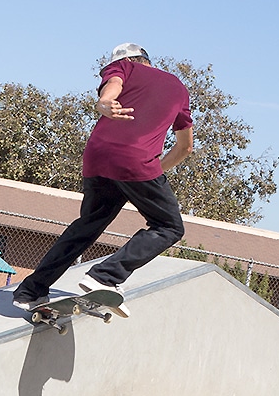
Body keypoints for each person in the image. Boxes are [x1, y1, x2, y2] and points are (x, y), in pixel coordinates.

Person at [13, 43, 192, 309]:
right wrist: (152, 171)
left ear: (130, 61)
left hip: (97, 157)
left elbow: (113, 85)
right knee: (169, 227)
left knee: (87, 225)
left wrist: (104, 102)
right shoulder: (178, 87)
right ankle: (105, 276)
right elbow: (185, 147)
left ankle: (30, 292)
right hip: (136, 162)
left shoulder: (123, 66)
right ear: (148, 61)